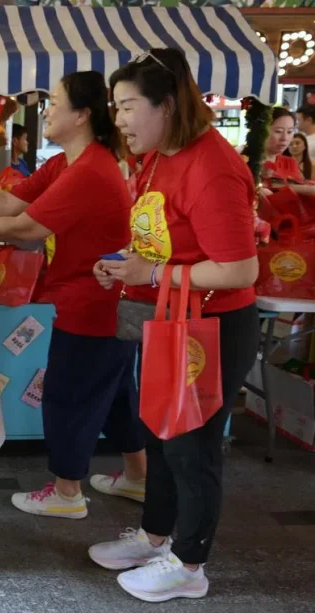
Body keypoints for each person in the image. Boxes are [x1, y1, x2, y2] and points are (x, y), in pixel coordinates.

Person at [90, 48, 259, 603]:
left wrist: (153, 270)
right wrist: (126, 265)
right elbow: (162, 239)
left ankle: (188, 565)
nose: (118, 119)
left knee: (192, 444)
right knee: (161, 434)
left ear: (167, 104)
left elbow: (239, 267)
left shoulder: (212, 166)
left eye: (127, 106)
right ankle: (154, 535)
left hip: (212, 328)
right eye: (115, 107)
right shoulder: (160, 156)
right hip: (171, 319)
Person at [0, 71, 145, 520]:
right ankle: (138, 477)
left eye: (56, 102)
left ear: (83, 114)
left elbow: (25, 227)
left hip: (94, 302)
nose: (46, 110)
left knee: (68, 395)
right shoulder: (67, 162)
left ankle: (68, 492)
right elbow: (10, 202)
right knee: (118, 392)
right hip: (108, 300)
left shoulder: (91, 169)